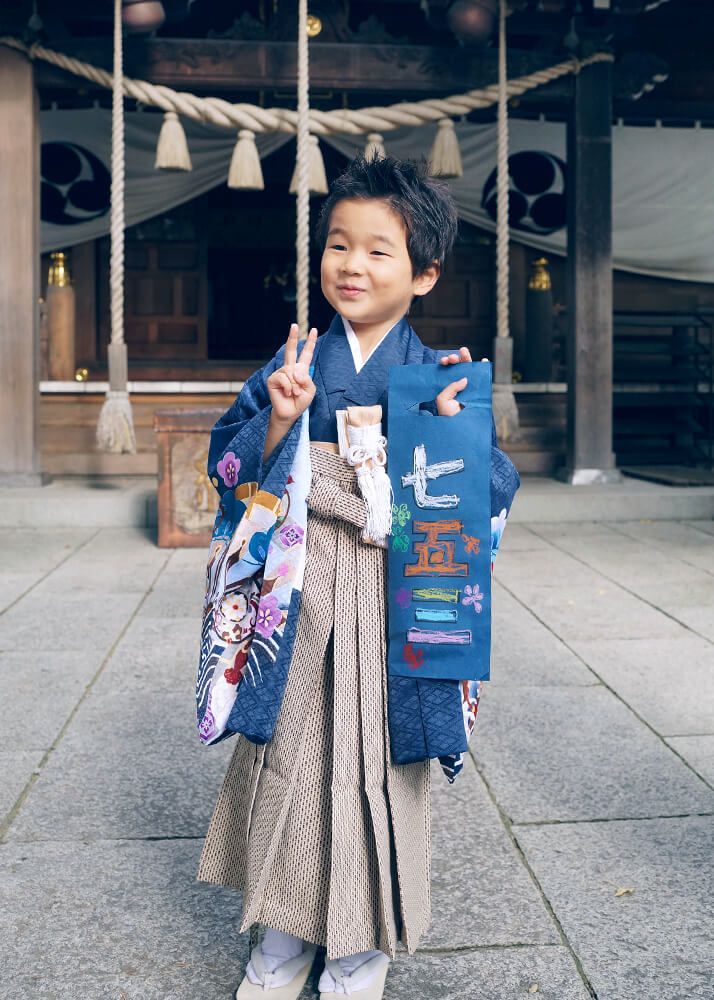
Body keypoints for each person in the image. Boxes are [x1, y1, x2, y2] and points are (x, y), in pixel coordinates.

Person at [197, 155, 520, 1000]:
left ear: (423, 274)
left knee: (382, 769)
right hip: (302, 595)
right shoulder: (296, 359)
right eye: (339, 245)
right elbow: (226, 466)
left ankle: (358, 951)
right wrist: (278, 418)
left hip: (394, 604)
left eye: (379, 251)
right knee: (290, 760)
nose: (351, 265)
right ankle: (284, 936)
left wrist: (448, 438)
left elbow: (494, 493)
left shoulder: (441, 376)